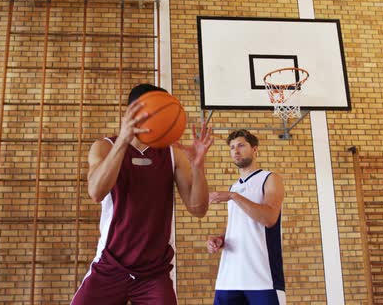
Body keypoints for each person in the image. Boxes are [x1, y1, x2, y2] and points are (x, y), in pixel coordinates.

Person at [71, 83, 214, 305]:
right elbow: (96, 192)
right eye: (158, 110)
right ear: (133, 113)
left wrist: (197, 166)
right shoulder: (105, 147)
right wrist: (123, 141)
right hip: (111, 265)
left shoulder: (173, 154)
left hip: (153, 273)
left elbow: (199, 209)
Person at [207, 129, 286, 305]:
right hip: (229, 277)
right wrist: (221, 239)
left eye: (241, 145)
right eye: (232, 147)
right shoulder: (233, 187)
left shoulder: (270, 178)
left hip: (262, 277)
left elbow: (269, 218)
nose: (236, 150)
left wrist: (234, 197)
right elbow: (239, 226)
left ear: (255, 149)